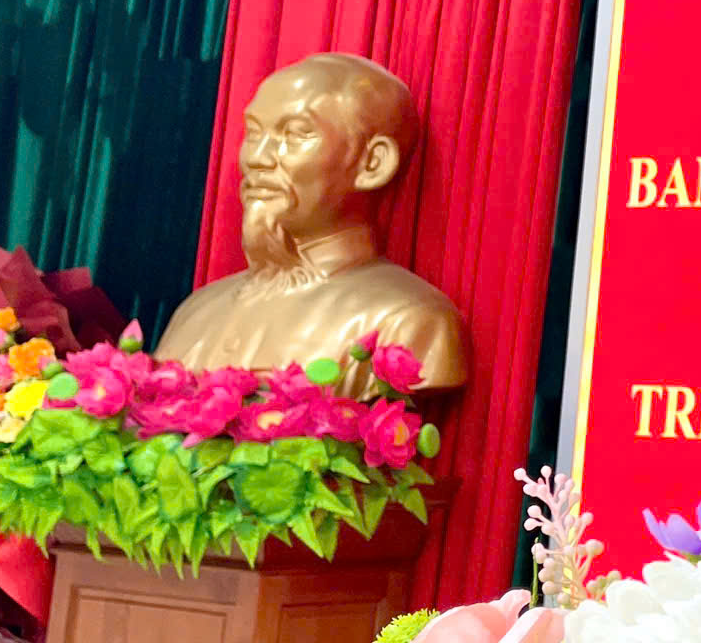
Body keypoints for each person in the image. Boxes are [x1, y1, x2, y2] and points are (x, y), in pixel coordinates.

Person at [156, 51, 468, 396]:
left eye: (295, 134)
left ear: (373, 164)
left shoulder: (408, 321)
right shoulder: (197, 310)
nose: (256, 158)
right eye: (254, 133)